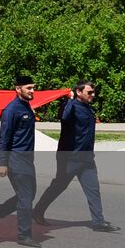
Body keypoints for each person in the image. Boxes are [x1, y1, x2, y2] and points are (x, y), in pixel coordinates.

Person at [34, 81, 119, 232]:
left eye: (93, 92)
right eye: (89, 92)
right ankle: (38, 211)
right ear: (79, 92)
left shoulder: (88, 108)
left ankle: (98, 222)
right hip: (69, 157)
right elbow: (64, 117)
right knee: (59, 186)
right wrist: (70, 100)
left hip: (86, 158)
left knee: (93, 189)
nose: (93, 95)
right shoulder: (70, 106)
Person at [0, 76, 40, 247]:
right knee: (26, 197)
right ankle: (24, 235)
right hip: (16, 159)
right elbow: (4, 137)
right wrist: (2, 162)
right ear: (18, 89)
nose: (32, 91)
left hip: (27, 159)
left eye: (33, 87)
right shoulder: (11, 110)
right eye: (28, 88)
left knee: (29, 194)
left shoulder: (26, 106)